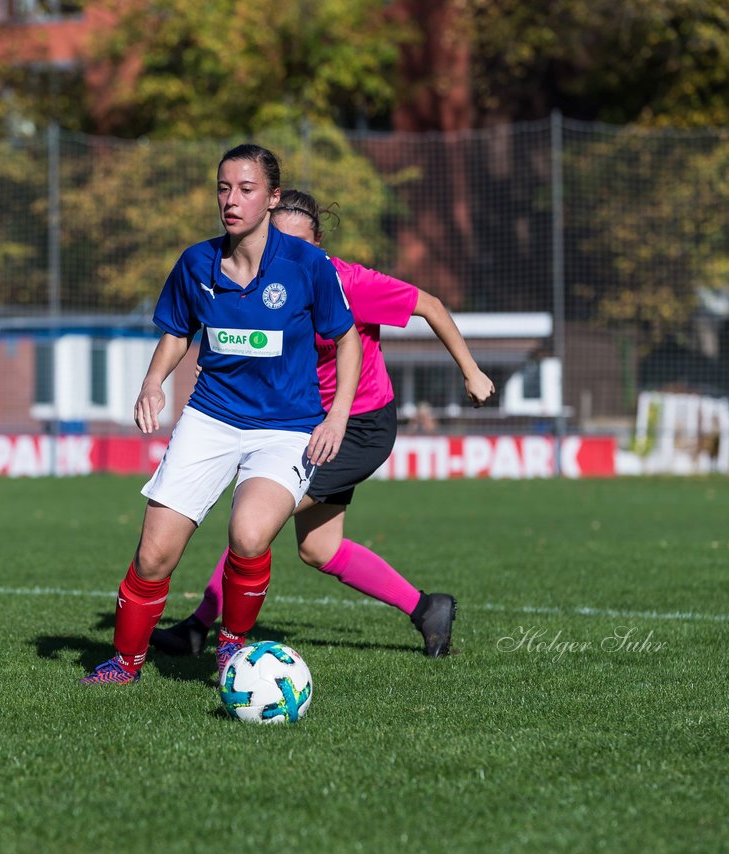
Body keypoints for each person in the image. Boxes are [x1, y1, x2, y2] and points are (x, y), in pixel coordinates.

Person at [151, 188, 495, 659]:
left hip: (359, 426)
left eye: (303, 245)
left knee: (255, 522)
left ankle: (198, 626)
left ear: (319, 247)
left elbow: (429, 304)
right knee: (319, 548)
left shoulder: (347, 282)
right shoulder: (260, 286)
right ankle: (427, 607)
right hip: (308, 426)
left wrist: (471, 372)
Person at [80, 145, 363, 686]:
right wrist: (152, 383)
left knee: (250, 535)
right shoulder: (196, 262)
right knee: (154, 555)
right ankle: (124, 663)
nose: (232, 200)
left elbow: (346, 339)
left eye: (247, 189)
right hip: (210, 418)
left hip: (288, 428)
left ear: (272, 197)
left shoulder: (307, 264)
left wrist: (337, 417)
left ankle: (232, 646)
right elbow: (177, 332)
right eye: (224, 188)